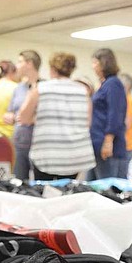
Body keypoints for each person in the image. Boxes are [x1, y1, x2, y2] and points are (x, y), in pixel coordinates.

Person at [19, 52, 95, 181]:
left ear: (52, 69)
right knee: (67, 194)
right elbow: (87, 123)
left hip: (47, 154)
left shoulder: (40, 89)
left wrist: (39, 119)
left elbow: (23, 118)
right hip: (75, 156)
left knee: (45, 194)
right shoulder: (83, 91)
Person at [90, 48, 127, 179]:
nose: (93, 67)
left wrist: (108, 142)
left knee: (106, 189)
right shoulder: (105, 84)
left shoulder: (113, 84)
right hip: (97, 145)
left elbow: (115, 114)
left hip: (107, 146)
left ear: (103, 63)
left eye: (95, 63)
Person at [4, 50, 41, 180]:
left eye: (20, 62)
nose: (17, 65)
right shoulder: (18, 88)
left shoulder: (44, 87)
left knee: (40, 183)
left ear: (29, 64)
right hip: (19, 142)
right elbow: (11, 111)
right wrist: (9, 116)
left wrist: (32, 119)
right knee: (19, 181)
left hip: (39, 143)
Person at [120, 73, 132, 178]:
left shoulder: (129, 101)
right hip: (125, 146)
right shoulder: (125, 100)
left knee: (120, 178)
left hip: (126, 146)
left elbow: (126, 124)